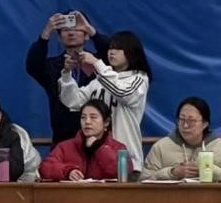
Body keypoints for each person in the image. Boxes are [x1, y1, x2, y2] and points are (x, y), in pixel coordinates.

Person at [57, 30, 151, 175]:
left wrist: (97, 63)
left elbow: (122, 92)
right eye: (110, 48)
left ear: (131, 52)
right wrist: (67, 73)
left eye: (118, 48)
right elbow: (73, 101)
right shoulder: (100, 81)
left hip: (125, 161)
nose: (112, 52)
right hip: (95, 160)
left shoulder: (139, 78)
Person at [25, 10, 111, 144]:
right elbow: (32, 65)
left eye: (77, 29)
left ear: (86, 35)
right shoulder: (52, 66)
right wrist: (45, 34)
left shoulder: (99, 62)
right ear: (59, 38)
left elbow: (111, 50)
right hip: (64, 140)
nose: (71, 33)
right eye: (65, 30)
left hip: (99, 139)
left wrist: (90, 29)